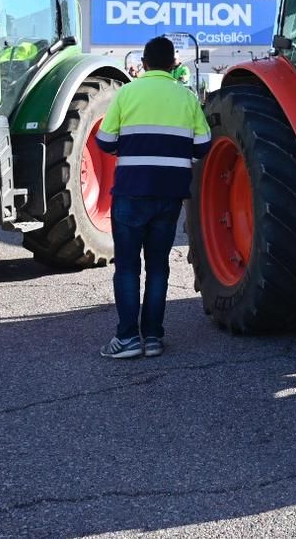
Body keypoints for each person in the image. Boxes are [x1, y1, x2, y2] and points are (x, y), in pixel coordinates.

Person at [95, 35, 210, 359]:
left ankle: (129, 338)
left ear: (143, 64)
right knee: (158, 267)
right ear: (174, 65)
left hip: (131, 191)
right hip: (170, 194)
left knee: (128, 267)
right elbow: (203, 146)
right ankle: (154, 337)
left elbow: (104, 141)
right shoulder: (186, 97)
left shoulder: (127, 92)